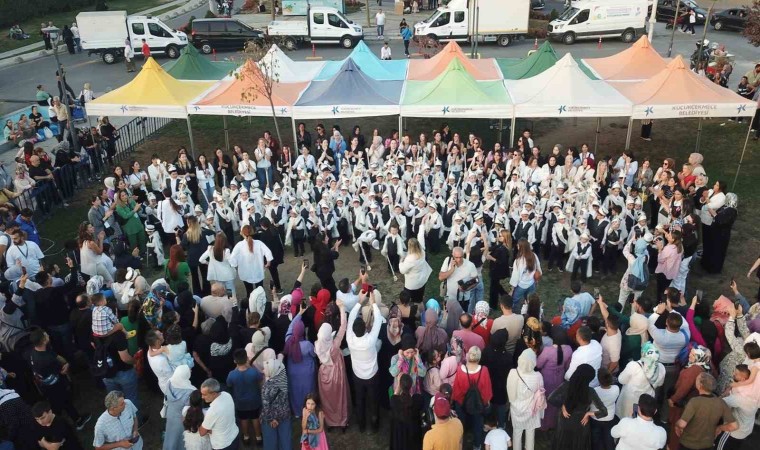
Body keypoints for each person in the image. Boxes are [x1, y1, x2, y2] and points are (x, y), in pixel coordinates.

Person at [28, 328, 91, 430]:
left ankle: (74, 419)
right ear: (43, 341)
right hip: (56, 385)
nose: (48, 335)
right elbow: (62, 371)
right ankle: (75, 422)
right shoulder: (47, 360)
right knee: (64, 402)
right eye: (46, 335)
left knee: (60, 404)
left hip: (45, 386)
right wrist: (67, 365)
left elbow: (54, 356)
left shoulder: (34, 352)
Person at [548, 364, 608, 450]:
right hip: (581, 424)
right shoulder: (590, 391)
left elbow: (550, 398)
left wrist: (562, 406)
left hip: (564, 422)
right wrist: (588, 413)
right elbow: (604, 412)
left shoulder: (566, 385)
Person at [347, 289, 382, 432]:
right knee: (374, 401)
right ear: (365, 329)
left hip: (358, 375)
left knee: (360, 400)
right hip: (372, 375)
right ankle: (374, 426)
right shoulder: (370, 340)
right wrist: (373, 303)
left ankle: (361, 425)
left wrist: (359, 302)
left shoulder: (350, 339)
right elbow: (378, 320)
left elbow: (350, 318)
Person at [675, 373, 738, 450]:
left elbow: (682, 424)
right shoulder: (721, 402)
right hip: (707, 445)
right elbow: (734, 426)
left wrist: (676, 425)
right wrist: (719, 427)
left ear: (700, 385)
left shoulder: (694, 401)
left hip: (688, 444)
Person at [315, 299, 349, 431]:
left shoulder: (318, 345)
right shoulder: (334, 346)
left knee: (327, 398)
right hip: (336, 371)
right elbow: (343, 326)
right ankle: (342, 421)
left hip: (324, 372)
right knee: (339, 396)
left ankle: (329, 421)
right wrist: (341, 308)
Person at [452, 346, 492, 449]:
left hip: (462, 404)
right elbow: (487, 391)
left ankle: (460, 446)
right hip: (478, 404)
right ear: (479, 358)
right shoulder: (484, 370)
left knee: (460, 427)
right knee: (478, 426)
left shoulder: (460, 369)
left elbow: (456, 391)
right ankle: (477, 446)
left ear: (467, 356)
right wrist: (486, 403)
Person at [507, 349, 545, 450]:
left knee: (517, 432)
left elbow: (510, 394)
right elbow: (541, 395)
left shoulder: (513, 373)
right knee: (530, 432)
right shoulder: (538, 376)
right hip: (532, 410)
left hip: (517, 409)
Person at [616, 342, 665, 419]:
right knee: (641, 420)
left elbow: (621, 380)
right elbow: (660, 384)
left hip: (631, 401)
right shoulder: (661, 368)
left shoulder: (634, 365)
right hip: (646, 403)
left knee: (630, 418)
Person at [536, 327, 572, 431]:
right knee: (556, 400)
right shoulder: (569, 349)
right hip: (560, 377)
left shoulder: (548, 350)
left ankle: (544, 424)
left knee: (545, 400)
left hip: (547, 378)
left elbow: (538, 364)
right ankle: (554, 423)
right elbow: (567, 365)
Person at [284, 302, 316, 416]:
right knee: (308, 391)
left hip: (293, 372)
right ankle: (309, 411)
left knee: (295, 392)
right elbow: (314, 354)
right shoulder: (307, 345)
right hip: (307, 373)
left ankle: (297, 412)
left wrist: (299, 314)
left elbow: (290, 326)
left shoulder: (288, 340)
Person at [226, 349, 262, 446]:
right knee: (255, 418)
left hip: (240, 402)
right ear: (246, 359)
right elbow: (260, 378)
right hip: (254, 400)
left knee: (243, 419)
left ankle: (246, 437)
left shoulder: (232, 374)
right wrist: (249, 366)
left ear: (235, 361)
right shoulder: (253, 372)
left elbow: (229, 384)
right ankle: (258, 437)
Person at [230, 225, 273, 296]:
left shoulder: (239, 245)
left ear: (242, 233)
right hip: (258, 270)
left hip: (245, 272)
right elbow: (268, 252)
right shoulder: (259, 243)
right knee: (260, 290)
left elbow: (232, 258)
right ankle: (261, 300)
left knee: (249, 291)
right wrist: (268, 262)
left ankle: (250, 301)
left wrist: (235, 265)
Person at [261, 353, 291, 450]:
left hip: (270, 418)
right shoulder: (283, 380)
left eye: (265, 368)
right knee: (285, 440)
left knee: (270, 442)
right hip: (284, 415)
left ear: (272, 371)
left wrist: (271, 419)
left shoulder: (267, 386)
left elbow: (266, 405)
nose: (263, 370)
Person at [199, 378, 239, 450]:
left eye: (204, 394)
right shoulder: (227, 395)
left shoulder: (213, 411)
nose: (202, 397)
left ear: (214, 394)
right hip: (234, 436)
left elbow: (202, 432)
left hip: (223, 445)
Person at [164, 365, 196, 450]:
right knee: (180, 439)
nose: (191, 371)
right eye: (189, 370)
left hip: (170, 414)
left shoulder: (170, 381)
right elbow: (191, 409)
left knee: (170, 435)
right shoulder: (191, 391)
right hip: (181, 419)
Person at [390, 373, 423, 449]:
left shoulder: (394, 400)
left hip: (399, 436)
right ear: (411, 385)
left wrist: (398, 385)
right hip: (413, 434)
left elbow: (395, 395)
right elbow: (419, 395)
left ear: (400, 385)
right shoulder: (417, 400)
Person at [589, 368, 619, 450]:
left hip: (595, 417)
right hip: (610, 417)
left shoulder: (594, 391)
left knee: (595, 439)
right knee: (608, 438)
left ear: (599, 380)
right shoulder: (616, 388)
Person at [509, 239, 541, 311]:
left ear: (521, 247)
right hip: (531, 283)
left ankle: (514, 313)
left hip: (521, 285)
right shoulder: (534, 256)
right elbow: (538, 268)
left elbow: (515, 276)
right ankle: (530, 312)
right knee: (531, 301)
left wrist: (512, 289)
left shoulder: (518, 261)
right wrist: (537, 280)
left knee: (515, 301)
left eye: (518, 245)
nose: (517, 246)